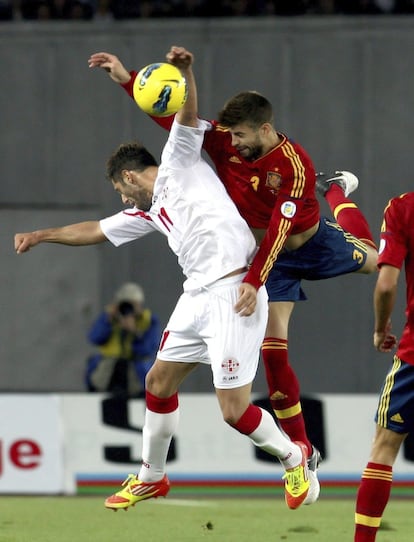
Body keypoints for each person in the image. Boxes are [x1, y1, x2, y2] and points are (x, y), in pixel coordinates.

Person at [15, 46, 312, 512]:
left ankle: (296, 457)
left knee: (234, 411)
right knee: (157, 382)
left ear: (130, 176)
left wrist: (185, 71)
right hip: (196, 296)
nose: (121, 199)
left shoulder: (179, 160)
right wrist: (41, 235)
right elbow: (95, 229)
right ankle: (152, 476)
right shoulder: (149, 211)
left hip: (236, 290)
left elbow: (185, 110)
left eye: (120, 190)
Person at [88, 47, 379, 503]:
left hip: (307, 242)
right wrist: (128, 79)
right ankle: (301, 451)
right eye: (232, 135)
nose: (234, 143)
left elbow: (283, 226)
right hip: (266, 255)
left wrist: (253, 280)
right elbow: (174, 118)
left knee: (378, 262)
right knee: (273, 350)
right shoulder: (224, 139)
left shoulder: (293, 166)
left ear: (265, 129)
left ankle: (338, 190)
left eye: (242, 136)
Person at [354, 192, 414, 541]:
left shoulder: (403, 207)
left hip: (413, 357)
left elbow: (387, 282)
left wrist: (381, 328)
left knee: (385, 446)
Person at [86, 281, 161, 397]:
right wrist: (109, 321)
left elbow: (149, 349)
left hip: (135, 370)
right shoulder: (109, 318)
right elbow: (95, 338)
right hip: (109, 369)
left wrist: (135, 332)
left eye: (132, 305)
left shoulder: (148, 321)